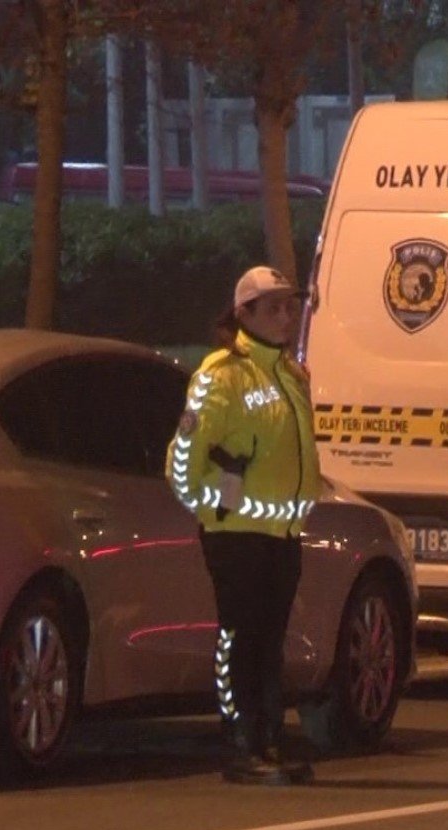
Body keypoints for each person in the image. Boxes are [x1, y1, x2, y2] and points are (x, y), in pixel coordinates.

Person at [167, 265, 322, 785]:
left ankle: (269, 741)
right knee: (240, 637)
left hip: (281, 533)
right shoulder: (221, 375)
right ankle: (241, 742)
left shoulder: (291, 374)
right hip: (236, 536)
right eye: (273, 307)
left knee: (269, 638)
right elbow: (183, 463)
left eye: (289, 305)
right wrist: (219, 504)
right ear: (244, 315)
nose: (286, 315)